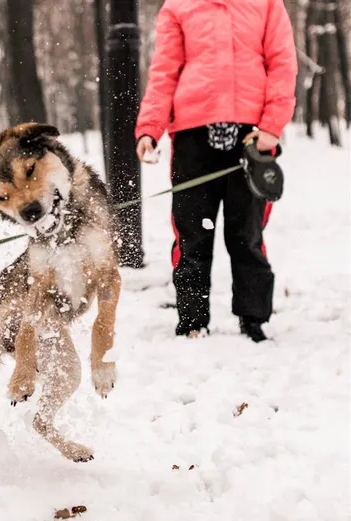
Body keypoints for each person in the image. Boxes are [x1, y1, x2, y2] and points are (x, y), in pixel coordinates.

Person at [135, 0, 297, 342]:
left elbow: (282, 63)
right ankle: (192, 321)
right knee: (192, 232)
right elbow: (164, 70)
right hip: (193, 135)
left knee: (247, 233)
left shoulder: (267, 3)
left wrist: (271, 126)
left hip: (251, 136)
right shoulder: (177, 6)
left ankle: (253, 319)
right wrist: (150, 126)